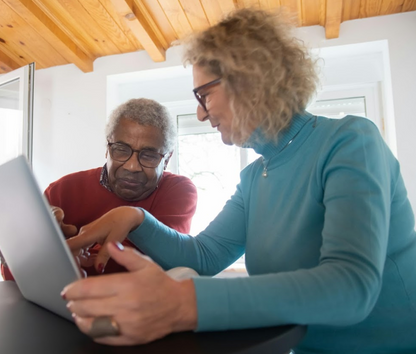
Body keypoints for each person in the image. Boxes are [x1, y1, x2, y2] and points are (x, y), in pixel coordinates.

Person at [61, 8, 416, 354]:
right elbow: (204, 255)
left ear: (250, 81)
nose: (201, 113)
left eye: (205, 95)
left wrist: (185, 303)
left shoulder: (351, 141)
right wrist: (135, 218)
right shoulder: (253, 177)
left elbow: (350, 288)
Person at [0, 98, 197, 280]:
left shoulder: (178, 191)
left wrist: (57, 255)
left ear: (167, 159)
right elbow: (15, 278)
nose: (132, 166)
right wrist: (13, 249)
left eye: (149, 156)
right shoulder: (62, 191)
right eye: (121, 149)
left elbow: (157, 263)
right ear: (107, 148)